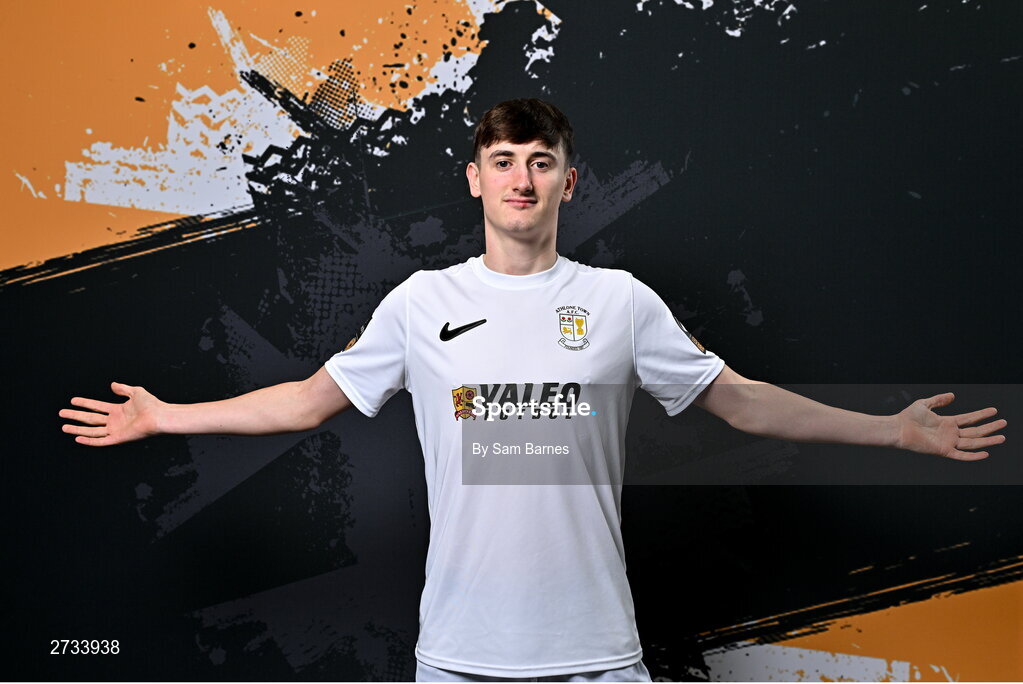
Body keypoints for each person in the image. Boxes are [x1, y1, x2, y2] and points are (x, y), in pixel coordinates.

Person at [60, 98, 1006, 682]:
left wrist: (891, 432)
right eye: (503, 161)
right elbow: (308, 400)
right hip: (462, 657)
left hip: (597, 654)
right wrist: (164, 416)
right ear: (474, 180)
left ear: (567, 182)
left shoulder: (620, 303)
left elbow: (743, 400)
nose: (521, 177)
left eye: (540, 161)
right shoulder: (420, 302)